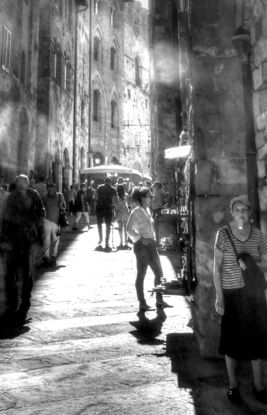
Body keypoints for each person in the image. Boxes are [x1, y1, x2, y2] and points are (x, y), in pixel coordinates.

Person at [213, 195, 267, 404]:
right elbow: (216, 269)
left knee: (258, 341)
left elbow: (266, 264)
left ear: (249, 213)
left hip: (253, 295)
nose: (241, 214)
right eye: (237, 210)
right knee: (231, 342)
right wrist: (219, 297)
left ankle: (259, 386)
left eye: (245, 210)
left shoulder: (258, 236)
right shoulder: (223, 234)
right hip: (231, 295)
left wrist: (251, 263)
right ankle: (233, 385)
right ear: (232, 212)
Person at [0, 174, 45, 326]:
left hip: (28, 239)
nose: (21, 184)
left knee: (27, 273)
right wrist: (4, 240)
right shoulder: (11, 197)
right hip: (13, 239)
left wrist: (36, 226)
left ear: (27, 183)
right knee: (10, 274)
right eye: (18, 181)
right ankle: (11, 304)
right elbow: (6, 218)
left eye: (23, 181)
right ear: (16, 183)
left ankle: (25, 301)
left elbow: (41, 213)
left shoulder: (34, 194)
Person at [126, 186, 171, 311]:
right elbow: (128, 229)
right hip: (142, 246)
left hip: (150, 245)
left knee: (159, 273)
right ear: (143, 198)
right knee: (142, 274)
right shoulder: (136, 212)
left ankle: (159, 300)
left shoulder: (147, 211)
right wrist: (140, 238)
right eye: (150, 196)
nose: (152, 198)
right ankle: (142, 303)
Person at [41, 183, 66, 267]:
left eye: (51, 189)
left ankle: (53, 256)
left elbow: (63, 206)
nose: (50, 191)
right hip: (47, 220)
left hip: (56, 221)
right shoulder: (44, 197)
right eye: (49, 189)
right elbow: (41, 207)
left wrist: (61, 209)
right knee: (46, 239)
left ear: (55, 189)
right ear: (47, 189)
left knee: (55, 239)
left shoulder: (59, 196)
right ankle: (46, 256)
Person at [95, 176, 117, 251]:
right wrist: (113, 206)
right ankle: (106, 241)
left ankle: (100, 239)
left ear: (104, 182)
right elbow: (115, 201)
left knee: (99, 224)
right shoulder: (113, 190)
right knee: (108, 225)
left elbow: (96, 198)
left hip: (100, 208)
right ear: (110, 182)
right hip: (108, 208)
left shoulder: (99, 188)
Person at [114, 184, 130, 249]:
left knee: (120, 228)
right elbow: (129, 204)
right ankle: (126, 242)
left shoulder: (115, 196)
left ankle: (121, 242)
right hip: (125, 212)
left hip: (118, 212)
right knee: (126, 228)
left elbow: (114, 205)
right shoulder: (126, 195)